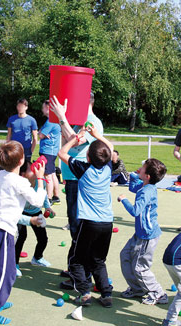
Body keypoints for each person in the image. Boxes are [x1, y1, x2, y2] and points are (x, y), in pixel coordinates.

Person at [0, 141, 46, 324]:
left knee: (7, 270)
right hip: (2, 231)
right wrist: (40, 180)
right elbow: (36, 201)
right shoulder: (20, 182)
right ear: (21, 161)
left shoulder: (0, 175)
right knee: (6, 272)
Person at [58, 122, 115, 308]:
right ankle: (106, 294)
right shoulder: (108, 169)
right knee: (98, 260)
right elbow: (111, 149)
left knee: (76, 260)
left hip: (89, 222)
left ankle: (84, 293)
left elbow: (62, 153)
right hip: (106, 223)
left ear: (88, 157)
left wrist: (75, 138)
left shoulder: (84, 169)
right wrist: (97, 135)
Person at [50, 92, 103, 238]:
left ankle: (79, 256)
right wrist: (64, 124)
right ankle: (78, 254)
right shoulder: (77, 122)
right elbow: (65, 144)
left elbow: (77, 141)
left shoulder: (92, 121)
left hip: (80, 178)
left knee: (79, 223)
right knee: (74, 220)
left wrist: (62, 117)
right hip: (72, 176)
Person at [117, 158, 168, 305]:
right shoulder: (146, 186)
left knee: (140, 267)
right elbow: (134, 187)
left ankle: (158, 293)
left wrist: (124, 200)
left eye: (143, 167)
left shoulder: (146, 192)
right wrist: (134, 175)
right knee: (125, 256)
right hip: (139, 233)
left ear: (148, 176)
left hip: (147, 235)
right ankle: (137, 289)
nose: (140, 167)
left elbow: (135, 211)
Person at [15, 160, 56, 276]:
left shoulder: (39, 182)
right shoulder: (21, 184)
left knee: (43, 238)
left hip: (36, 212)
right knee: (21, 237)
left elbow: (43, 196)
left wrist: (48, 208)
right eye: (31, 169)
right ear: (23, 174)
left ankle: (37, 257)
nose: (35, 170)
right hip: (21, 212)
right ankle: (15, 264)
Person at [38, 100, 62, 205]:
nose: (42, 109)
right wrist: (42, 132)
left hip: (48, 151)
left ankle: (49, 198)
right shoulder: (52, 121)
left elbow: (40, 135)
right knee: (52, 174)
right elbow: (42, 133)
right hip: (51, 151)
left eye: (43, 107)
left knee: (48, 175)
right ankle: (56, 196)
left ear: (48, 108)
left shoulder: (50, 122)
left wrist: (41, 132)